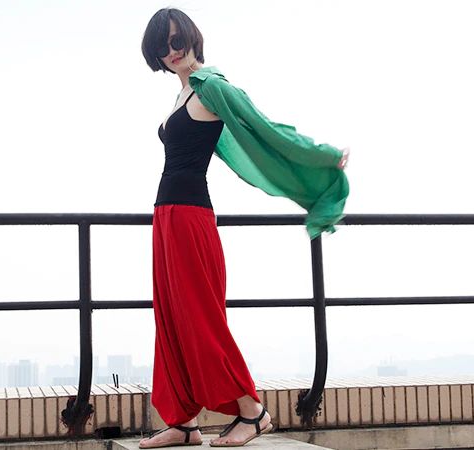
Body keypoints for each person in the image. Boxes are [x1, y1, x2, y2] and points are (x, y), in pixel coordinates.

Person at [139, 7, 349, 448]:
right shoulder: (183, 93)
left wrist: (321, 155)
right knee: (171, 316)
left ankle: (253, 412)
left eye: (177, 40)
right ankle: (184, 422)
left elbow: (264, 128)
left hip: (191, 216)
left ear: (192, 37)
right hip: (167, 216)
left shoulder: (213, 87)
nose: (172, 51)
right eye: (162, 46)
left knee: (200, 318)